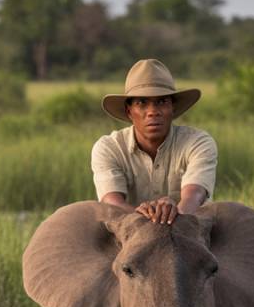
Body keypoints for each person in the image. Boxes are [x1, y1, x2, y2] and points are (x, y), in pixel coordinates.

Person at [92, 58, 217, 224]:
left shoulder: (198, 143)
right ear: (129, 111)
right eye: (142, 103)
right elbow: (112, 203)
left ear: (172, 108)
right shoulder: (109, 148)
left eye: (162, 102)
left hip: (187, 228)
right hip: (128, 230)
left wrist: (174, 212)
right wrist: (149, 218)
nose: (153, 112)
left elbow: (195, 195)